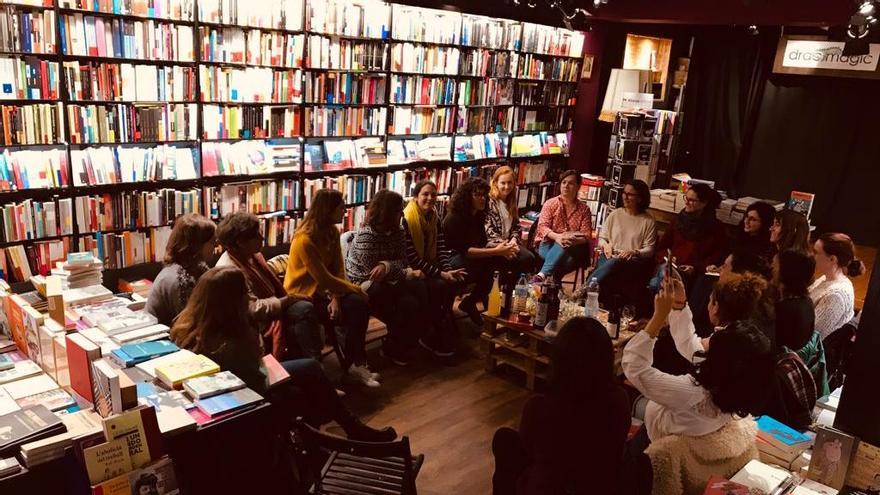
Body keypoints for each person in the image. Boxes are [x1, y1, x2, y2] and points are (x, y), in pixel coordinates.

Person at [170, 266, 396, 442]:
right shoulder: (233, 339)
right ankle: (331, 436)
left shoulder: (187, 324)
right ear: (232, 301)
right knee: (301, 390)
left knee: (310, 367)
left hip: (236, 384)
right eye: (244, 294)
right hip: (246, 396)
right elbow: (258, 380)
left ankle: (344, 430)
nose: (248, 300)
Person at [621, 275, 775, 492]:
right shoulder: (737, 379)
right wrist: (678, 305)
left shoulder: (691, 392)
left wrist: (657, 318)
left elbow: (635, 368)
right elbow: (693, 347)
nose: (706, 344)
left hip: (650, 449)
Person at [492, 317, 630, 495]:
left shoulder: (539, 408)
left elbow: (529, 447)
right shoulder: (620, 400)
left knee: (505, 442)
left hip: (550, 487)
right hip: (598, 486)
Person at [283, 189, 378, 387]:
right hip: (302, 296)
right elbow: (324, 278)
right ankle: (320, 377)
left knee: (358, 306)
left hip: (324, 293)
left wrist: (336, 297)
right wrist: (355, 288)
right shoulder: (304, 239)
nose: (345, 211)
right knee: (356, 297)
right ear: (328, 210)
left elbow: (337, 271)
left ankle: (354, 364)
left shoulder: (332, 233)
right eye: (341, 207)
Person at [345, 190, 426, 365]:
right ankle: (397, 343)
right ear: (387, 212)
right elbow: (372, 275)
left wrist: (386, 265)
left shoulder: (399, 230)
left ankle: (404, 342)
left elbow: (403, 261)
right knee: (390, 296)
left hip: (390, 282)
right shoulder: (366, 236)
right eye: (399, 211)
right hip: (363, 284)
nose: (402, 215)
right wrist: (404, 272)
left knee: (412, 298)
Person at [215, 212, 310, 360]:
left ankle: (306, 362)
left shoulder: (252, 255)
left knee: (305, 306)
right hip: (255, 323)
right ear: (240, 241)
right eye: (256, 235)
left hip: (270, 307)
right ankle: (310, 364)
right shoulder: (229, 270)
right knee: (304, 309)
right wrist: (287, 300)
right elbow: (252, 309)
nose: (262, 237)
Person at [444, 177, 532, 325]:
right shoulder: (454, 218)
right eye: (477, 195)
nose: (483, 198)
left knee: (505, 264)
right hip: (452, 260)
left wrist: (504, 248)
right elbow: (466, 251)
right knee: (490, 268)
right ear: (467, 196)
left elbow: (482, 243)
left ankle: (473, 302)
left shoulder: (479, 215)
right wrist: (497, 251)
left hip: (472, 257)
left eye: (484, 195)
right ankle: (472, 304)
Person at [402, 180, 466, 355]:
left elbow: (441, 248)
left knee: (454, 280)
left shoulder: (435, 217)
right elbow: (412, 258)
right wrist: (441, 274)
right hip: (412, 271)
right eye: (425, 194)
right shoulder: (406, 219)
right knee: (439, 286)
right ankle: (430, 332)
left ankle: (439, 327)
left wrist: (447, 270)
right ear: (416, 197)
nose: (430, 198)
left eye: (433, 195)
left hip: (431, 267)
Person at [773, 249, 830, 401]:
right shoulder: (805, 301)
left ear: (787, 273)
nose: (771, 268)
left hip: (779, 378)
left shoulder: (786, 309)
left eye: (775, 265)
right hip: (791, 370)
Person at [650, 183, 727, 292]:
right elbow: (662, 248)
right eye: (686, 198)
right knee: (665, 275)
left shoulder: (715, 228)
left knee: (665, 281)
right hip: (672, 266)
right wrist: (669, 259)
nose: (686, 202)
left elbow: (716, 256)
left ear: (704, 203)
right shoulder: (678, 221)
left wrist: (695, 268)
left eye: (692, 200)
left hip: (694, 271)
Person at [145, 213, 216, 326]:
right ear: (196, 245)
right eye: (212, 242)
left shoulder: (198, 268)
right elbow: (189, 325)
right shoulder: (178, 279)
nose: (216, 246)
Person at [533, 170, 592, 283]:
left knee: (565, 242)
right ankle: (554, 286)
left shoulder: (584, 209)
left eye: (570, 183)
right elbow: (542, 227)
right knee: (563, 250)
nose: (566, 186)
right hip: (547, 243)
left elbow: (587, 235)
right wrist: (558, 237)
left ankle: (542, 275)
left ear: (578, 187)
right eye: (563, 182)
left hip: (573, 247)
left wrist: (572, 239)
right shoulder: (550, 203)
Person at [593, 179, 656, 284]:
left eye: (630, 194)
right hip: (611, 254)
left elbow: (649, 250)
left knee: (613, 264)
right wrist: (605, 245)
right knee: (608, 264)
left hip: (631, 260)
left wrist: (635, 252)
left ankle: (585, 289)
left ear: (640, 198)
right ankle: (590, 290)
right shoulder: (615, 214)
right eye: (624, 193)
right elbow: (602, 238)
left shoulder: (648, 221)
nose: (625, 197)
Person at [810, 232, 866, 340]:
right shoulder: (825, 278)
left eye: (816, 252)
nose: (812, 256)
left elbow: (812, 337)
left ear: (832, 259)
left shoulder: (836, 296)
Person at [485, 165, 536, 270]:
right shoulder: (489, 202)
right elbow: (488, 232)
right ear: (495, 183)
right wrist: (507, 246)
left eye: (510, 183)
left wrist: (513, 240)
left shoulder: (511, 201)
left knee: (529, 258)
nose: (507, 186)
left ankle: (514, 285)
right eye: (503, 183)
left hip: (509, 243)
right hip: (494, 245)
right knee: (521, 259)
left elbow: (517, 227)